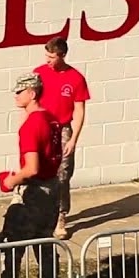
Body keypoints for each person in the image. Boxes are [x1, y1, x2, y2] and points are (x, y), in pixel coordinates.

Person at [0, 73, 63, 278]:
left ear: (32, 93)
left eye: (19, 92)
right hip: (52, 188)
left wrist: (11, 181)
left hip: (33, 192)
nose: (15, 96)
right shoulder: (51, 118)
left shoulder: (32, 125)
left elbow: (32, 168)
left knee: (11, 246)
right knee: (44, 243)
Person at [33, 37, 90, 240]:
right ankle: (39, 212)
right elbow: (29, 101)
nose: (47, 60)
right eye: (46, 56)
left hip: (62, 128)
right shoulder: (39, 73)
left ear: (62, 55)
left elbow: (80, 109)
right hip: (41, 126)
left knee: (62, 175)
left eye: (52, 57)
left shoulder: (76, 78)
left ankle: (60, 215)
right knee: (37, 171)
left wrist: (73, 139)